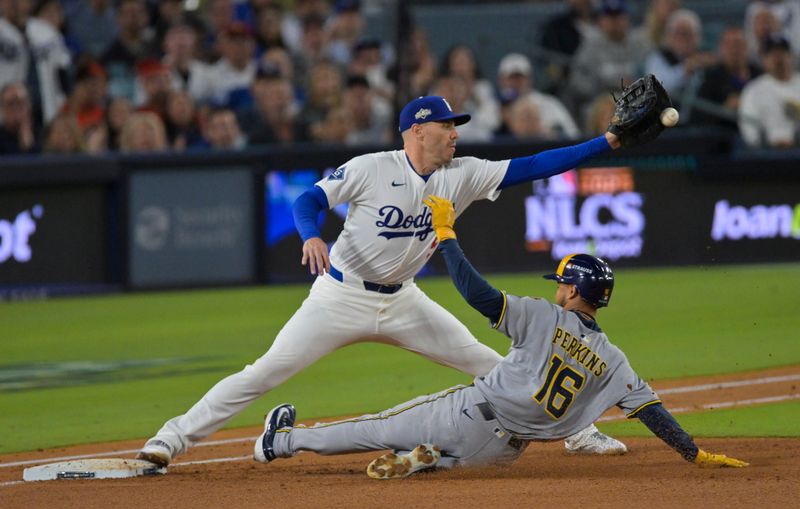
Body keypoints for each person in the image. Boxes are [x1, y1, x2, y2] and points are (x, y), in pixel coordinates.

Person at [137, 93, 658, 467]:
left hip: (405, 301)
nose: (455, 132)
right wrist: (309, 234)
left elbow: (536, 165)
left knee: (488, 361)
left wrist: (607, 141)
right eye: (446, 126)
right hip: (340, 295)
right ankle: (171, 438)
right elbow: (308, 200)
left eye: (456, 125)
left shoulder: (463, 174)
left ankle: (579, 433)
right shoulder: (370, 167)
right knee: (263, 372)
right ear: (416, 131)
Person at [252, 197, 750, 478]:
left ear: (574, 290)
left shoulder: (540, 317)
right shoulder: (613, 360)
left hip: (471, 413)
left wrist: (446, 237)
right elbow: (649, 412)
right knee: (450, 461)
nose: (557, 288)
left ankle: (281, 442)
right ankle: (426, 461)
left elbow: (476, 294)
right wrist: (692, 452)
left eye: (562, 283)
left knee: (375, 426)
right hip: (505, 454)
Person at [739, 33, 800, 148]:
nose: (778, 58)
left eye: (782, 52)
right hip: (768, 154)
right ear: (763, 59)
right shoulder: (753, 90)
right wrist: (767, 143)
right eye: (772, 54)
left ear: (791, 56)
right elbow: (749, 128)